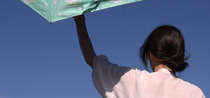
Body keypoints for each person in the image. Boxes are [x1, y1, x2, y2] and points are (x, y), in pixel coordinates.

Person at [73, 14, 205, 98]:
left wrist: (80, 21)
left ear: (151, 54)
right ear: (180, 55)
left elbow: (91, 60)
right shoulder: (195, 93)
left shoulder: (133, 80)